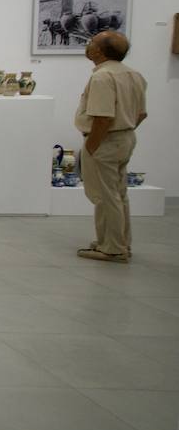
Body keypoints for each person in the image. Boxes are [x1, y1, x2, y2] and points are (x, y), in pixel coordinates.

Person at [75, 30, 147, 263]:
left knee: (105, 196)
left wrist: (92, 145)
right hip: (124, 138)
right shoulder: (133, 74)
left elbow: (103, 118)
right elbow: (141, 113)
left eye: (92, 42)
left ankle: (113, 248)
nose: (88, 46)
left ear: (100, 51)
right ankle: (119, 241)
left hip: (105, 141)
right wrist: (123, 131)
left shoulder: (102, 77)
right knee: (118, 193)